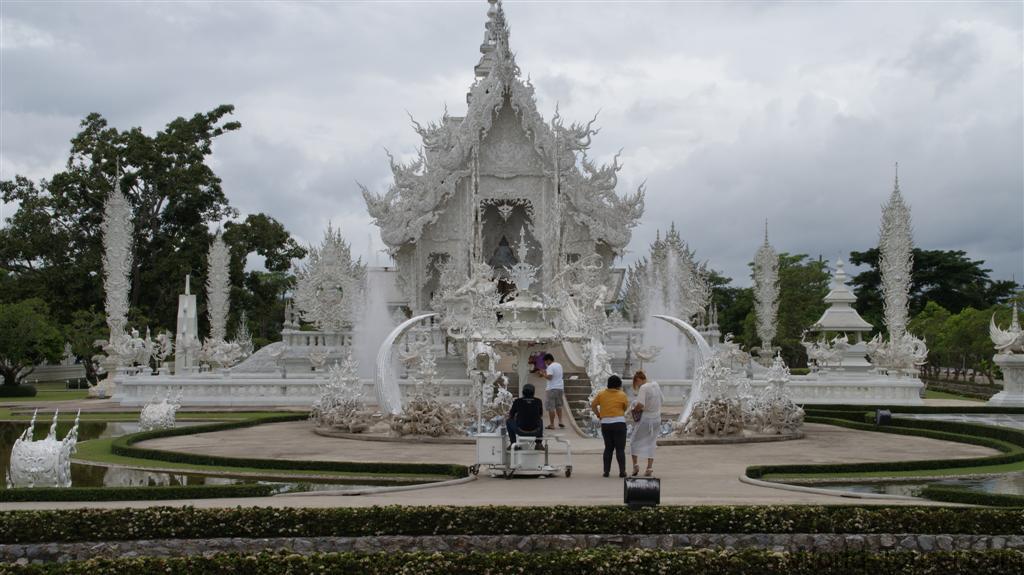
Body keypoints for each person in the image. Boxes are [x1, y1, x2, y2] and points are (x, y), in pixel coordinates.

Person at [590, 374, 629, 477]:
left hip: (606, 424)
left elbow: (593, 405)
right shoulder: (622, 395)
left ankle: (606, 471)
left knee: (608, 448)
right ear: (618, 385)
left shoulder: (601, 394)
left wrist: (598, 414)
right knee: (620, 449)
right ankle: (622, 471)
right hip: (619, 423)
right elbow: (625, 407)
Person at [628, 370, 662, 476]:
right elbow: (662, 400)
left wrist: (634, 409)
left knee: (634, 441)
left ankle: (635, 466)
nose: (637, 386)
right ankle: (649, 468)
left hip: (646, 419)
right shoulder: (655, 385)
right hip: (657, 418)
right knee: (652, 442)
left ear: (638, 380)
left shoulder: (644, 388)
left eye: (636, 383)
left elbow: (641, 404)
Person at [506, 383, 544, 449]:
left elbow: (511, 415)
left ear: (523, 392)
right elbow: (540, 414)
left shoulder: (517, 401)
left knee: (508, 421)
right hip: (535, 431)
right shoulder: (538, 401)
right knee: (540, 420)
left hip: (520, 430)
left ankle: (513, 443)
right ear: (533, 392)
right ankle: (538, 443)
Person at [540, 353, 565, 429]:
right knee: (559, 405)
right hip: (560, 388)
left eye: (545, 361)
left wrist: (543, 374)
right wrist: (546, 371)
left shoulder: (550, 367)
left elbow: (550, 377)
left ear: (548, 360)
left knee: (551, 407)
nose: (545, 363)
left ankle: (552, 424)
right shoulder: (559, 365)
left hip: (551, 389)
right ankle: (560, 421)